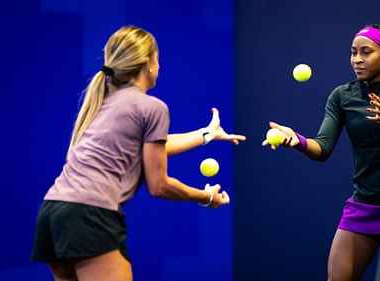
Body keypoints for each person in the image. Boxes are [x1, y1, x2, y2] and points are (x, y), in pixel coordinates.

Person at [31, 25, 246, 281]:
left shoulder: (104, 102)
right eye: (158, 58)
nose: (160, 65)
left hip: (52, 215)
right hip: (89, 216)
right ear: (148, 64)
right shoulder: (152, 107)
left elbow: (151, 148)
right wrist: (205, 197)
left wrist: (206, 134)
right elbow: (159, 186)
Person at [263, 24, 380, 281]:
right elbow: (323, 148)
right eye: (353, 52)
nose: (357, 59)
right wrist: (296, 140)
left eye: (366, 52)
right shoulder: (342, 96)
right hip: (364, 203)